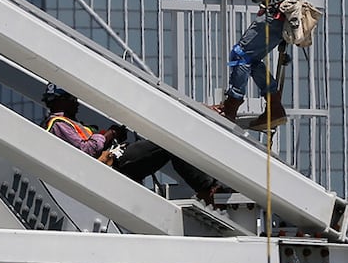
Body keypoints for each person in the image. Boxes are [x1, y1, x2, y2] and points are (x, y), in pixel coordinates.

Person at [182, 0, 304, 130]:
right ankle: (274, 107)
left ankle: (230, 106)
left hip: (277, 13)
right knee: (252, 59)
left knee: (240, 54)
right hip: (281, 12)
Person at [41, 84, 220, 203]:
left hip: (111, 164)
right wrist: (109, 135)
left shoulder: (70, 123)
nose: (77, 103)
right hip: (113, 167)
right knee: (169, 144)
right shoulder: (58, 124)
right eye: (72, 99)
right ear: (60, 101)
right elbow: (86, 149)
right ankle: (207, 188)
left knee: (169, 144)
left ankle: (211, 184)